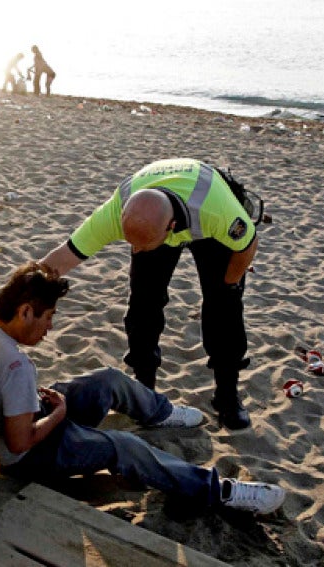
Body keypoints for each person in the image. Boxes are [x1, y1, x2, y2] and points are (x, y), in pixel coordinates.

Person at [0, 262, 286, 514]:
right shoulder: (15, 368)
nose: (49, 327)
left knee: (108, 380)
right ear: (24, 312)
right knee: (125, 446)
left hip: (25, 415)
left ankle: (160, 412)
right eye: (48, 317)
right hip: (28, 457)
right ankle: (220, 491)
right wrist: (59, 414)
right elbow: (20, 443)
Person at [39, 158, 259, 430]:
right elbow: (63, 257)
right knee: (143, 305)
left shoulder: (218, 213)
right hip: (154, 219)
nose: (138, 251)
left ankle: (226, 395)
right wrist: (20, 286)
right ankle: (144, 391)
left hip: (206, 221)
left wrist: (230, 283)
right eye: (133, 244)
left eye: (144, 245)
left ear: (172, 227)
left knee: (224, 306)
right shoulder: (117, 211)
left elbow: (247, 244)